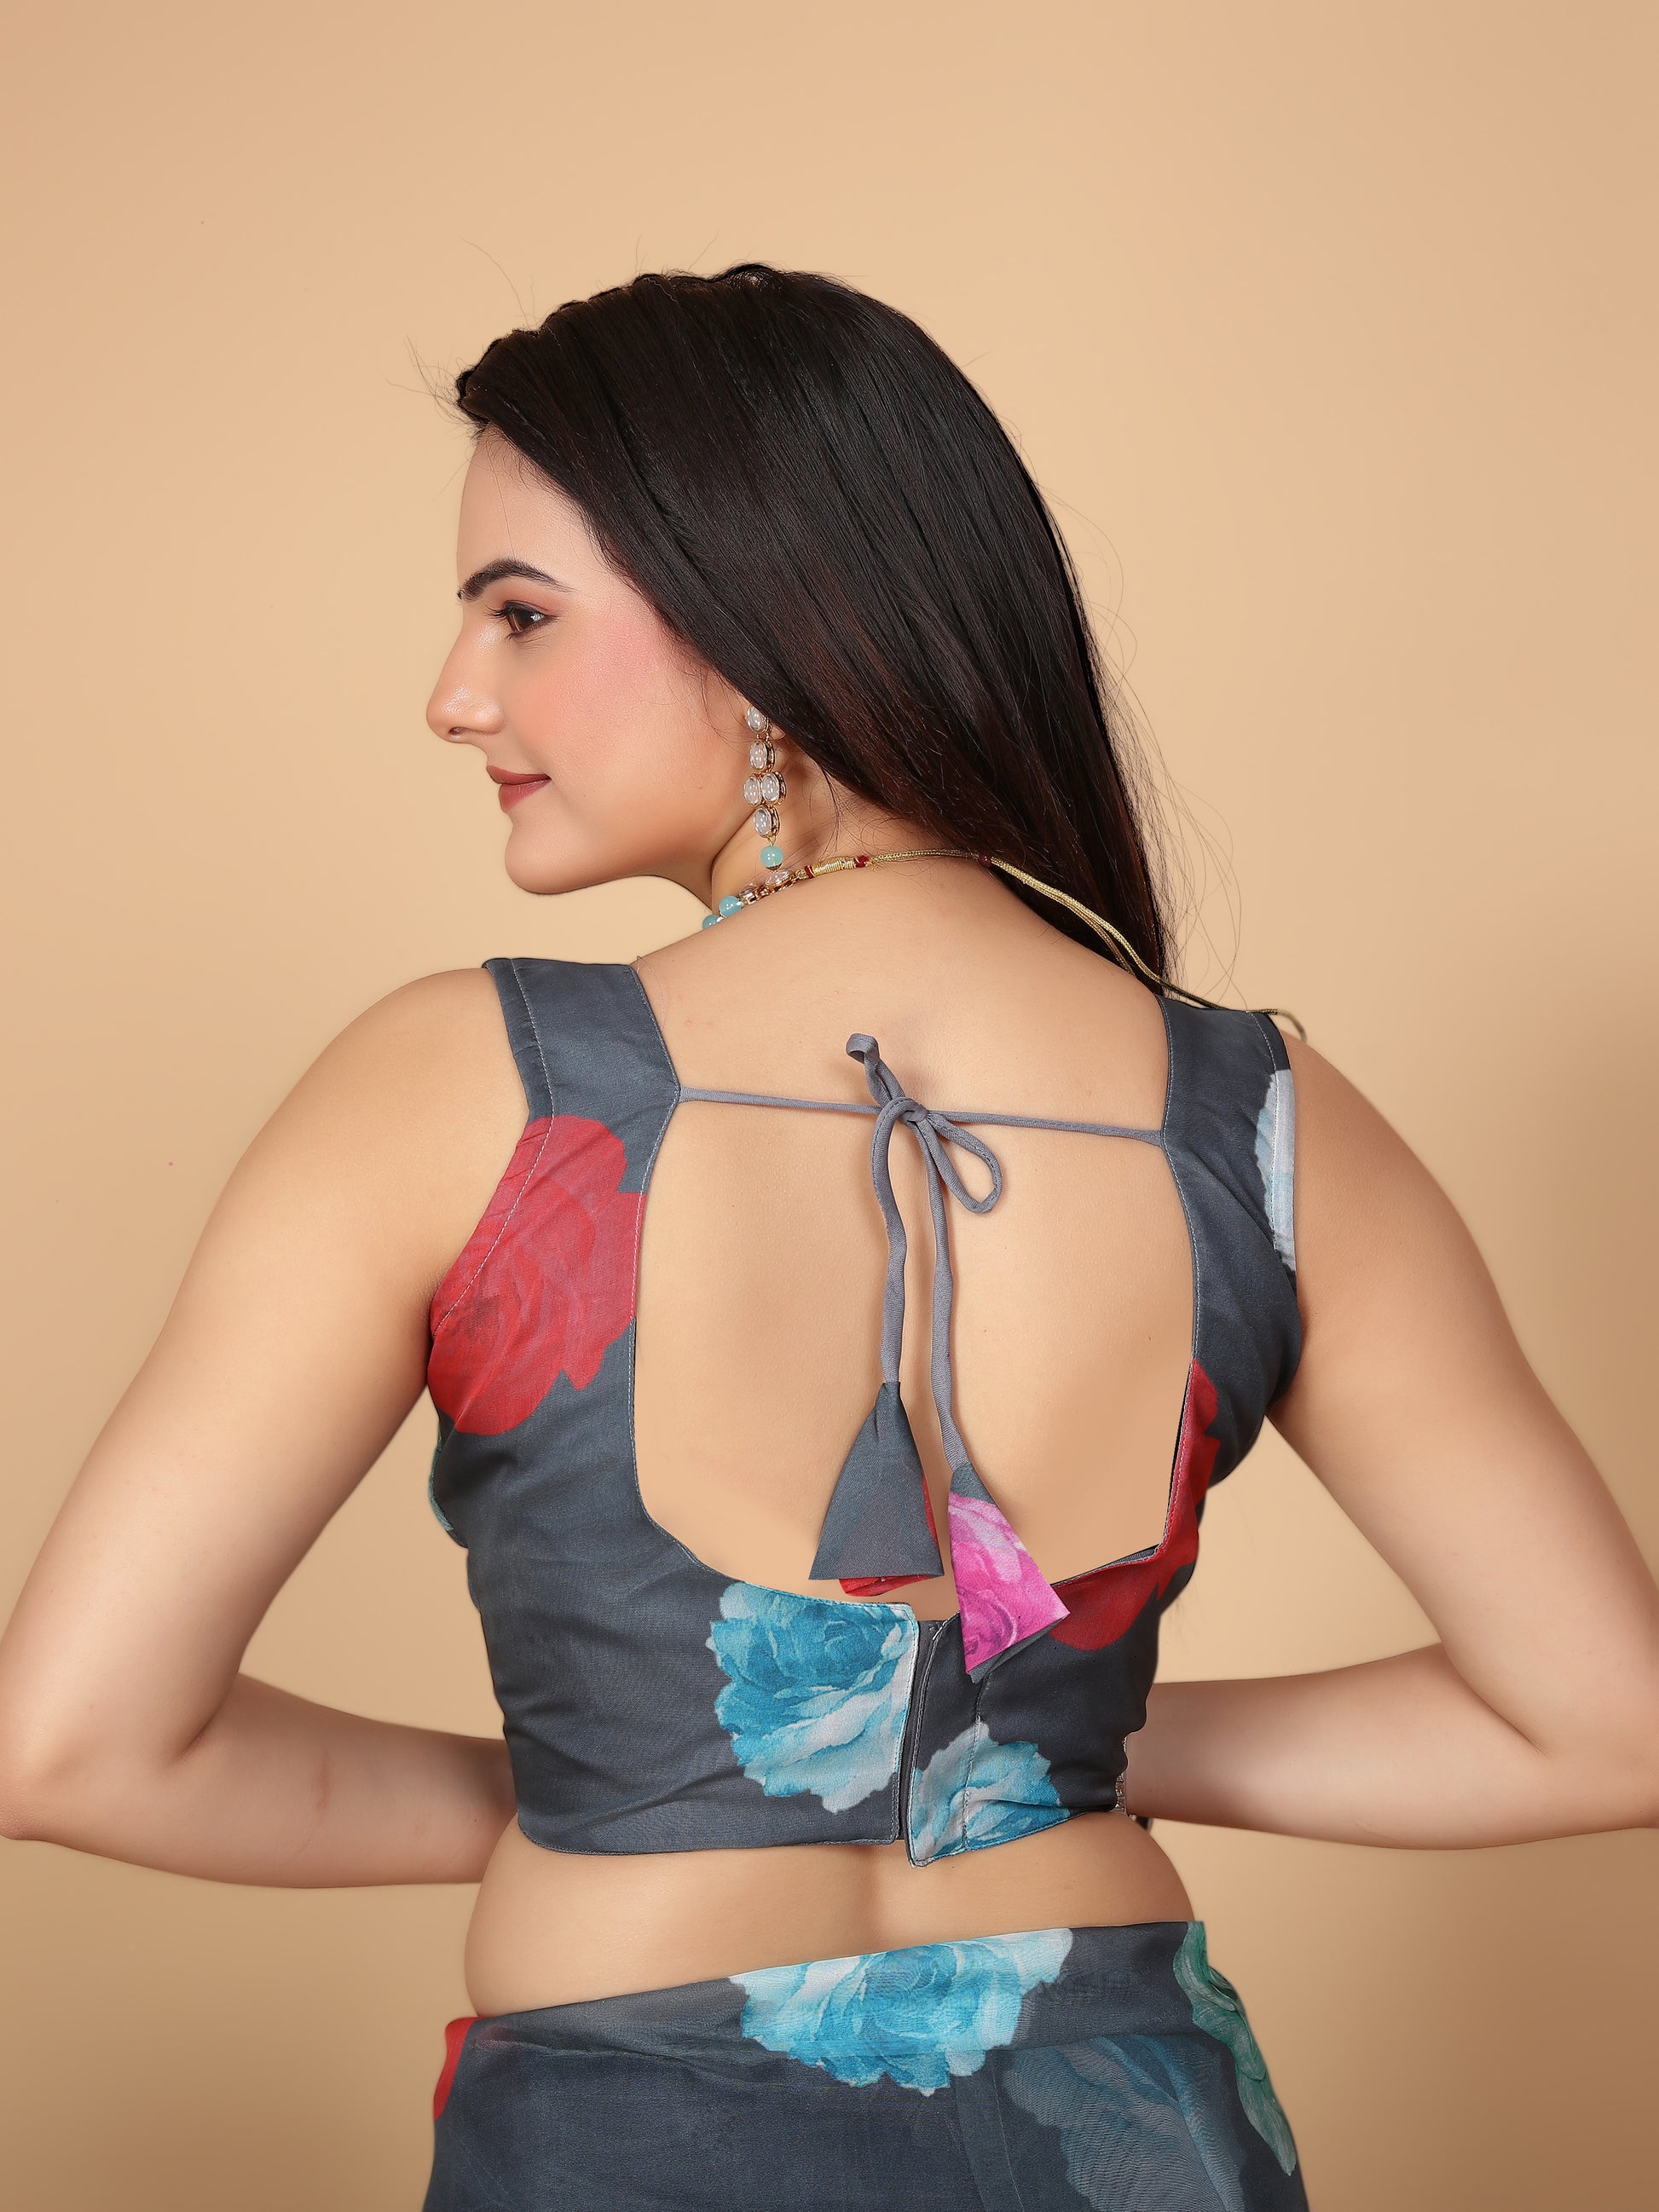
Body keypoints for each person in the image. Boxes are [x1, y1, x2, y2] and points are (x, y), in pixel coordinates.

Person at [2, 264, 1656, 2212]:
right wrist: (1051, 1749)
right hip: (1143, 2123)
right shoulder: (1261, 1115)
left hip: (636, 2135)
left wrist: (616, 1778)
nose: (455, 694)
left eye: (520, 612)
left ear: (764, 625)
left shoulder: (462, 1083)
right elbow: (1602, 1724)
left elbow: (75, 1743)